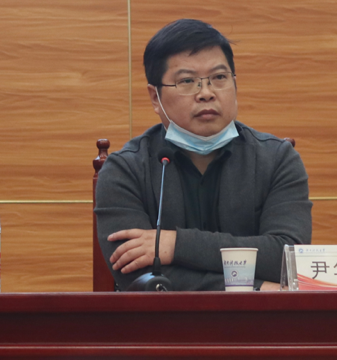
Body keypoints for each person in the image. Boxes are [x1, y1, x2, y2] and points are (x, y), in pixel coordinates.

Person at [95, 19, 312, 291]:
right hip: (164, 320)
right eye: (187, 81)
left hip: (260, 319)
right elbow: (141, 278)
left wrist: (176, 245)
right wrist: (256, 289)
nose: (206, 93)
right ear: (155, 98)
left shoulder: (277, 159)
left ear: (235, 84)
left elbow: (287, 257)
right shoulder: (125, 170)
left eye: (219, 78)